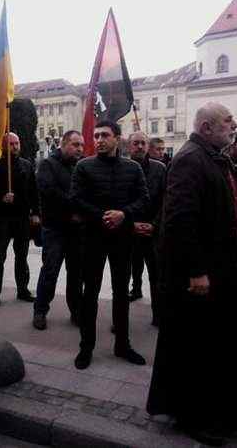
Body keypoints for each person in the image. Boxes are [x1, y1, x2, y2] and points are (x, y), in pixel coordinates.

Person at [146, 103, 237, 446]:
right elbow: (180, 220)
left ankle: (221, 412)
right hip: (200, 276)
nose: (234, 125)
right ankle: (195, 417)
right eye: (228, 121)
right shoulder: (190, 159)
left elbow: (213, 206)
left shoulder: (213, 156)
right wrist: (196, 271)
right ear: (207, 127)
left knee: (218, 347)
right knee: (198, 351)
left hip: (222, 271)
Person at [70, 120, 149, 370]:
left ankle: (122, 345)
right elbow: (76, 199)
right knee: (90, 292)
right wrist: (103, 216)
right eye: (96, 135)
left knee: (121, 292)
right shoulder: (84, 166)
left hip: (123, 238)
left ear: (117, 138)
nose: (99, 140)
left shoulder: (133, 168)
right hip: (93, 237)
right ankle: (86, 346)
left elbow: (144, 199)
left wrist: (123, 214)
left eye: (105, 135)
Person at [32, 130, 85, 330]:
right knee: (50, 271)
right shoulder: (48, 164)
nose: (79, 149)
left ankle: (76, 311)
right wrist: (72, 209)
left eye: (81, 145)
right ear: (63, 144)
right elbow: (49, 192)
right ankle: (40, 310)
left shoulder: (81, 166)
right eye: (75, 144)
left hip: (76, 230)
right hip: (55, 228)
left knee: (76, 274)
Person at [0, 132, 39, 306]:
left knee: (22, 256)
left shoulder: (27, 166)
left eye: (17, 143)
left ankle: (23, 289)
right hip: (1, 219)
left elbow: (34, 192)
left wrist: (36, 212)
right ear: (4, 146)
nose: (15, 147)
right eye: (11, 144)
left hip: (21, 218)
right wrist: (0, 199)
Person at [127, 131, 166, 327]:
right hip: (129, 231)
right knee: (126, 273)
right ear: (129, 146)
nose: (140, 147)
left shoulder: (160, 169)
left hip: (153, 230)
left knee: (156, 275)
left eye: (143, 143)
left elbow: (166, 200)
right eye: (136, 143)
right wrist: (131, 224)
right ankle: (121, 318)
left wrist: (154, 224)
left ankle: (159, 315)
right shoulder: (121, 168)